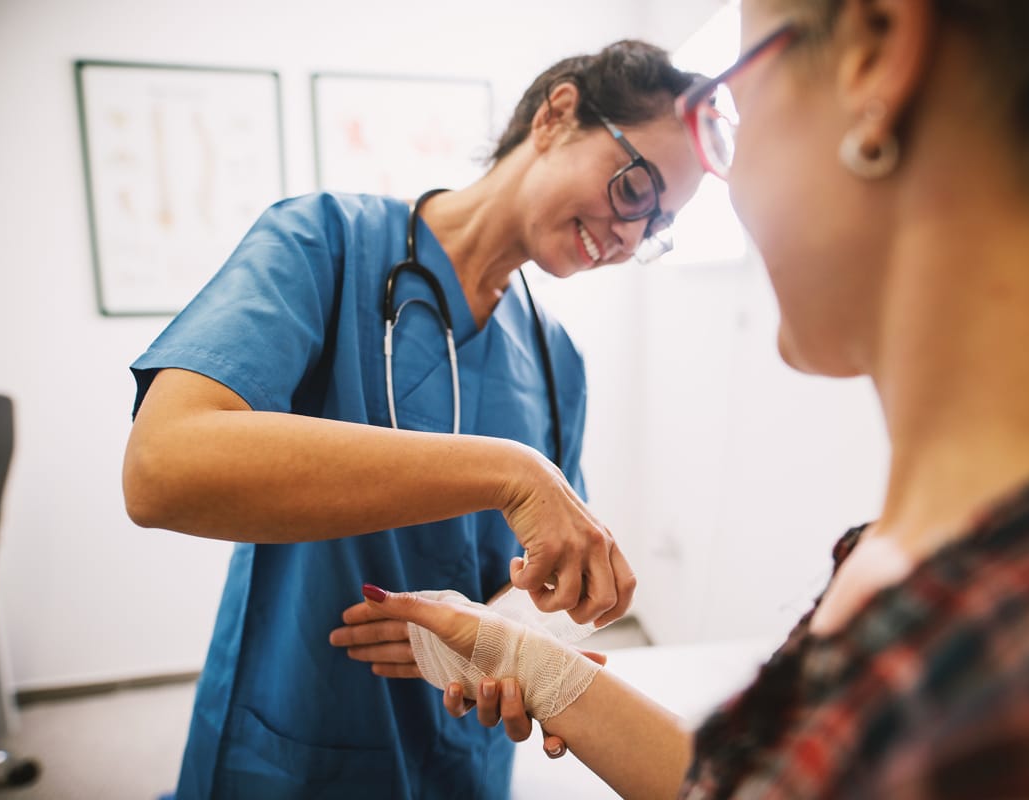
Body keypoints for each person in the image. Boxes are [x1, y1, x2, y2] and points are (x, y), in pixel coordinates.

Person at [333, 0, 1029, 796]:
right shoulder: (946, 568)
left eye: (736, 115)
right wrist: (530, 663)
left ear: (876, 49)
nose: (735, 173)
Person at [122, 40, 705, 799]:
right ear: (558, 115)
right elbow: (161, 469)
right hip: (298, 736)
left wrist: (512, 644)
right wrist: (509, 471)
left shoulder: (558, 359)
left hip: (464, 748)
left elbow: (535, 587)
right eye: (636, 190)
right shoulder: (323, 243)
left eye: (655, 226)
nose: (629, 237)